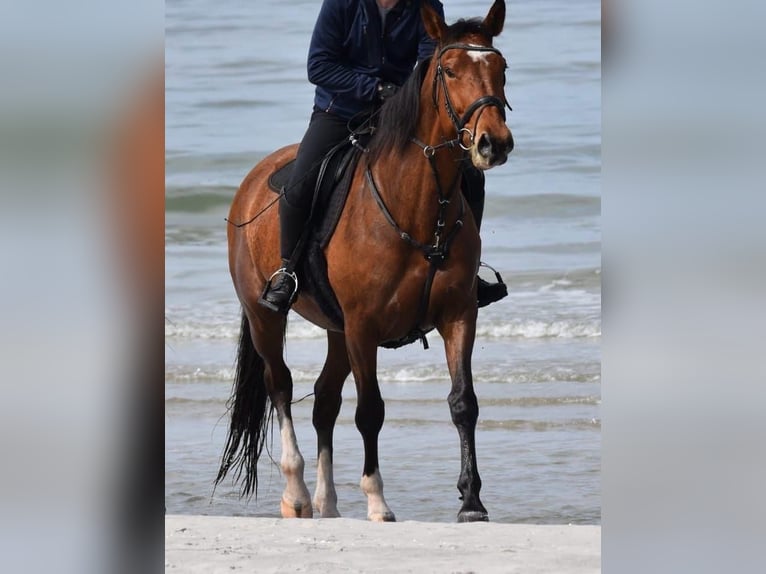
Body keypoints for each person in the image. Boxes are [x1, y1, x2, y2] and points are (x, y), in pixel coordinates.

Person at [259, 0, 507, 314]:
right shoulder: (341, 4)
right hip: (339, 112)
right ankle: (287, 272)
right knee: (301, 183)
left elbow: (429, 64)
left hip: (402, 114)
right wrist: (375, 88)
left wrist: (402, 96)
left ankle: (469, 269)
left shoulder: (426, 6)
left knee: (471, 175)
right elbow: (319, 66)